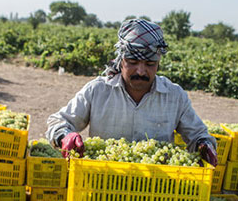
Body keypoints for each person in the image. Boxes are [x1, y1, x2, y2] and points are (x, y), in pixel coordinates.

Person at [46, 18, 218, 166]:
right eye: (132, 62)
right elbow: (58, 122)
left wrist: (204, 145)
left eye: (150, 65)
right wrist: (65, 136)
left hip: (154, 189)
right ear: (121, 61)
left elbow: (199, 135)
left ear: (158, 64)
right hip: (102, 183)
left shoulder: (174, 97)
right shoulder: (98, 91)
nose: (141, 71)